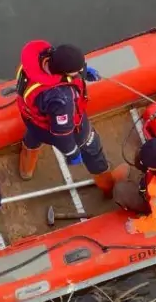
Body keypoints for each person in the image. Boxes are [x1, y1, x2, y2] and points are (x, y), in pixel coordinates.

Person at [15, 41, 119, 197]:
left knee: (33, 137)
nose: (80, 71)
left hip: (32, 120)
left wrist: (83, 73)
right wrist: (71, 153)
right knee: (91, 147)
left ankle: (26, 169)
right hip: (54, 128)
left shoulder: (35, 64)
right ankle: (108, 186)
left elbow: (62, 75)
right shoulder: (61, 98)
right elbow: (62, 133)